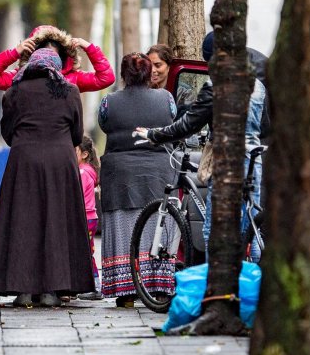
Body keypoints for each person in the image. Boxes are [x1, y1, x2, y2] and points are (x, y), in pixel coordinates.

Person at [135, 37, 267, 262]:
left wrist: (154, 134)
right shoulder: (257, 86)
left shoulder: (216, 86)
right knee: (250, 230)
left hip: (226, 161)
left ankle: (215, 291)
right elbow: (265, 125)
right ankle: (253, 287)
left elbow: (188, 124)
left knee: (213, 231)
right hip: (254, 159)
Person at [0, 48, 94, 307]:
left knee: (23, 221)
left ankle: (22, 290)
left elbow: (7, 131)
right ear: (55, 66)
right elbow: (77, 133)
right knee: (56, 221)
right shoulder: (69, 91)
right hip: (60, 163)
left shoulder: (14, 91)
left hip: (24, 161)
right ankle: (52, 291)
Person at [98, 53, 177, 308]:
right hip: (158, 174)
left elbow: (103, 124)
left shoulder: (109, 102)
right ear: (148, 74)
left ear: (124, 75)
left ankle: (127, 291)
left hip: (119, 176)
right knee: (158, 227)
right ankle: (159, 286)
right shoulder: (166, 99)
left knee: (123, 227)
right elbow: (173, 121)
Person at [0, 25, 115, 93]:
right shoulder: (19, 77)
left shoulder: (74, 79)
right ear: (32, 54)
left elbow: (106, 78)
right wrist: (14, 52)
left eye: (53, 56)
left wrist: (89, 47)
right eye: (43, 54)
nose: (47, 61)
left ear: (62, 57)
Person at [75, 135, 103, 301]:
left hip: (85, 217)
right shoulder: (88, 171)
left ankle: (95, 286)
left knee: (85, 252)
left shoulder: (83, 172)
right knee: (87, 251)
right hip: (90, 217)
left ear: (84, 154)